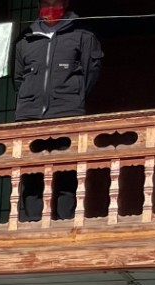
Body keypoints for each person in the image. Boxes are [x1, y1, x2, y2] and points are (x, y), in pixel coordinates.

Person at [15, 5, 102, 221]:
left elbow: (91, 72)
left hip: (67, 113)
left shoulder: (82, 34)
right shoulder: (26, 38)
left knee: (67, 174)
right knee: (32, 175)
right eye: (46, 2)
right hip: (30, 116)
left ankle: (65, 222)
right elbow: (18, 78)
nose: (51, 7)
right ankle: (34, 222)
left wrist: (73, 98)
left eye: (56, 2)